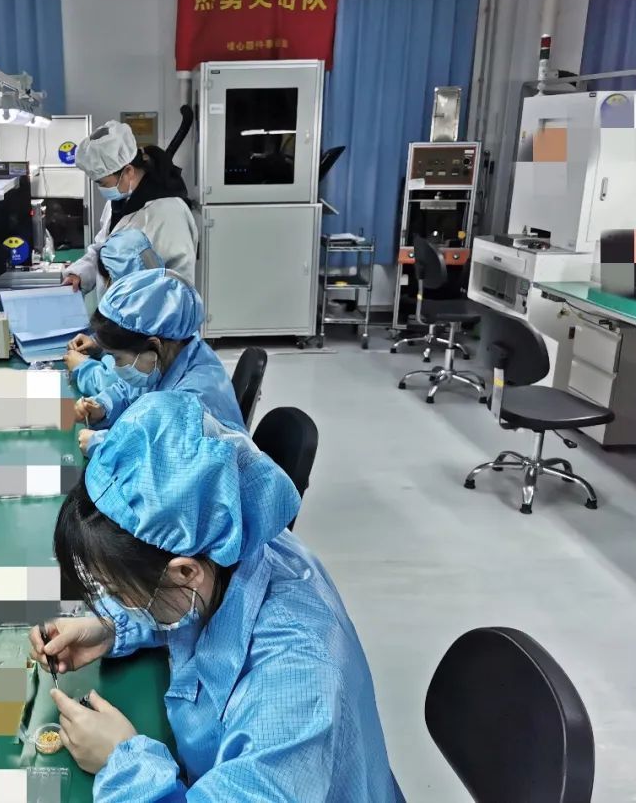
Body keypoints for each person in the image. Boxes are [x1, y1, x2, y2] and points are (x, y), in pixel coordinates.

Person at [29, 392, 403, 802]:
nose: (114, 600)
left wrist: (121, 760)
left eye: (119, 591)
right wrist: (112, 628)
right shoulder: (227, 539)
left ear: (185, 572)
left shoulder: (296, 688)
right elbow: (193, 604)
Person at [73, 269, 243, 457]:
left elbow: (167, 459)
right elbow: (133, 391)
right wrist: (103, 407)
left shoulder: (194, 402)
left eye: (117, 358)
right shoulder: (173, 352)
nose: (115, 366)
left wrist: (103, 445)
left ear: (154, 344)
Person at [62, 121, 196, 298]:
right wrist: (78, 274)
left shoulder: (168, 212)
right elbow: (102, 250)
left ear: (128, 171)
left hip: (146, 313)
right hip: (117, 309)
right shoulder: (119, 201)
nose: (102, 189)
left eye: (103, 183)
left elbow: (178, 284)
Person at [65, 228, 165, 396]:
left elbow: (123, 386)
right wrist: (99, 345)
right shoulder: (156, 303)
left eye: (105, 280)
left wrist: (84, 368)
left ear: (114, 281)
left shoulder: (142, 323)